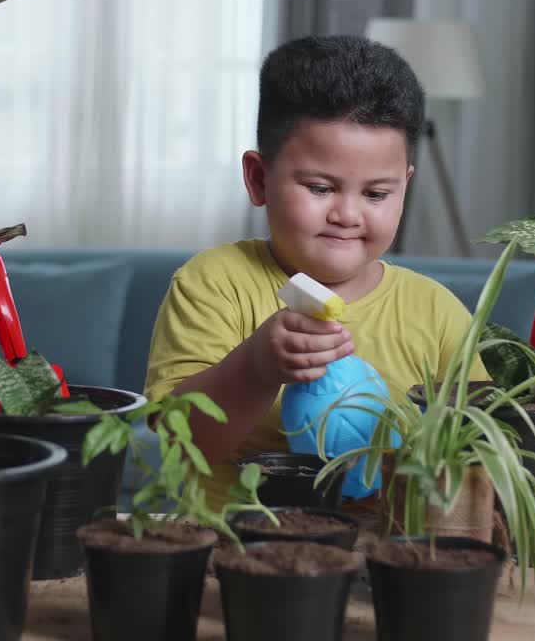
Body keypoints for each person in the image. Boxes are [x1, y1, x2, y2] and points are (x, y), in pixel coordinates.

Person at [144, 35, 485, 505]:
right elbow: (182, 447)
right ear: (259, 178)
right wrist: (255, 368)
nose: (347, 214)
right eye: (321, 188)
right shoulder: (213, 284)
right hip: (235, 549)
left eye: (376, 194)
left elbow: (481, 449)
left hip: (388, 553)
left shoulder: (436, 310)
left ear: (406, 186)